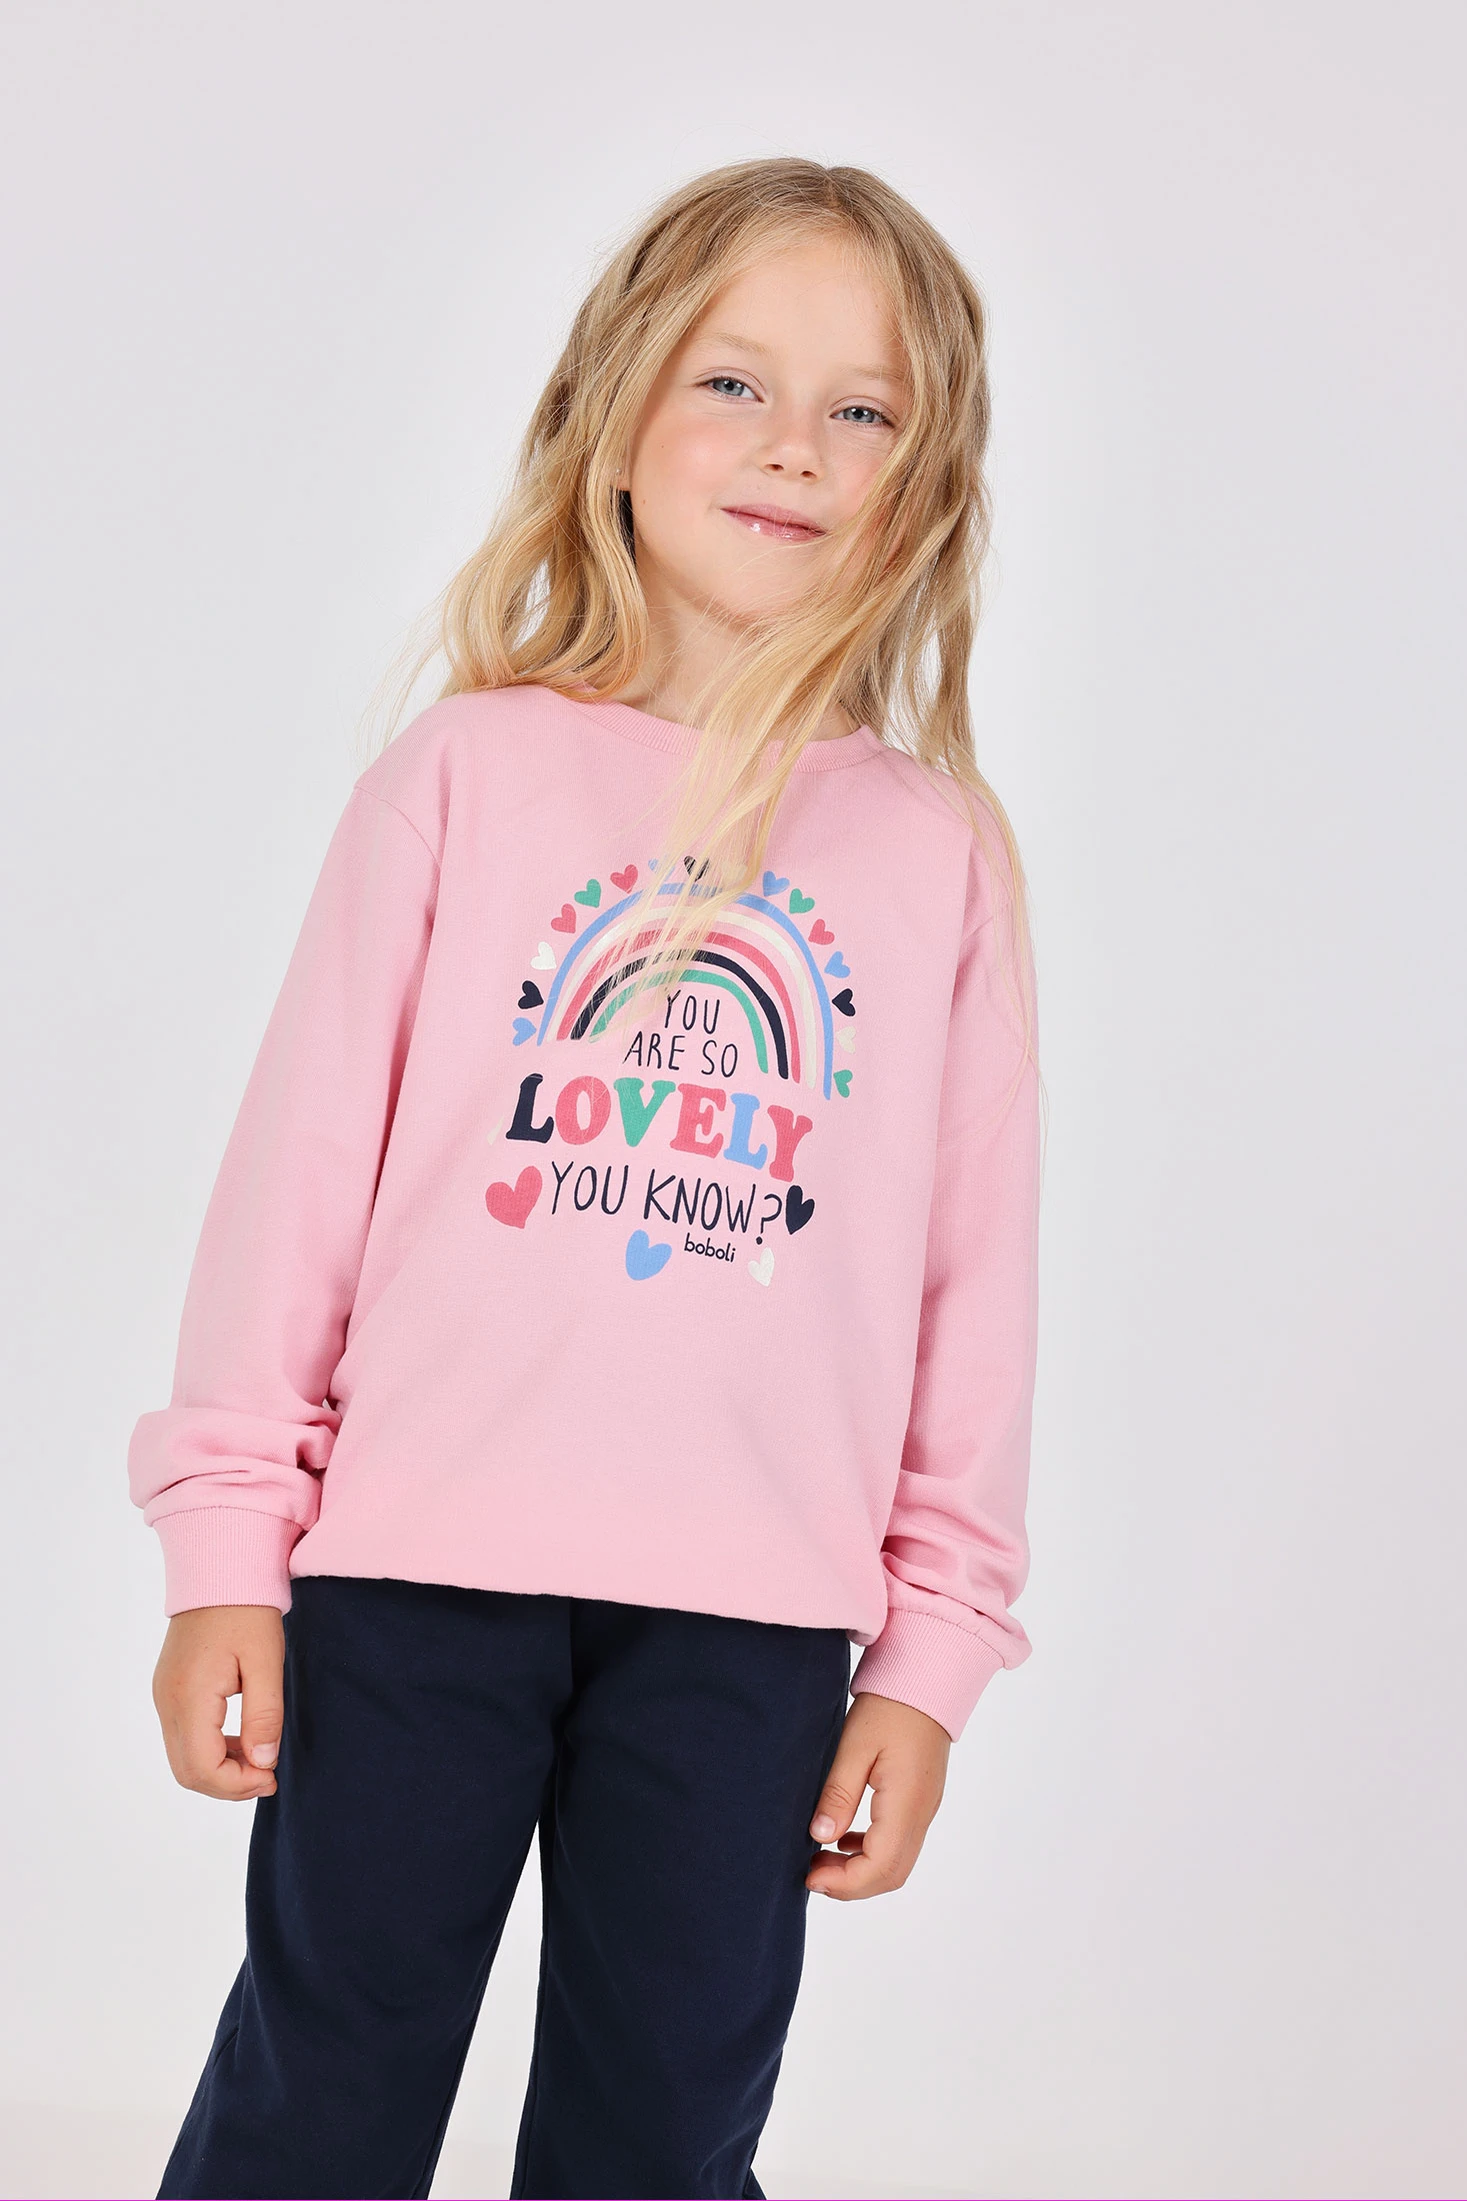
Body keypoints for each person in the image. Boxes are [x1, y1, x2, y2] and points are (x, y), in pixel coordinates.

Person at [129, 155, 1044, 2201]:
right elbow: (295, 1190)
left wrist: (929, 1655)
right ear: (612, 417)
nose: (793, 445)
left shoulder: (936, 854)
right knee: (319, 2096)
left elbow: (972, 1293)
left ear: (923, 487)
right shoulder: (460, 776)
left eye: (863, 409)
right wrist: (225, 1550)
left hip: (754, 1620)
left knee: (661, 2132)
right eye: (733, 382)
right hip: (411, 1575)